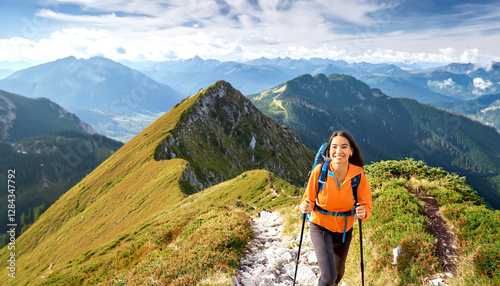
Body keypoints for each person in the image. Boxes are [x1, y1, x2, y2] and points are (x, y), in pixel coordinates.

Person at [299, 131, 372, 286]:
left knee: (338, 275)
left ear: (351, 151)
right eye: (334, 147)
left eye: (344, 147)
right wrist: (305, 205)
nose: (338, 151)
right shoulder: (320, 172)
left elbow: (366, 206)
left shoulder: (358, 176)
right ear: (329, 151)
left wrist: (363, 212)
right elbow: (308, 199)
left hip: (344, 231)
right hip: (320, 227)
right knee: (329, 276)